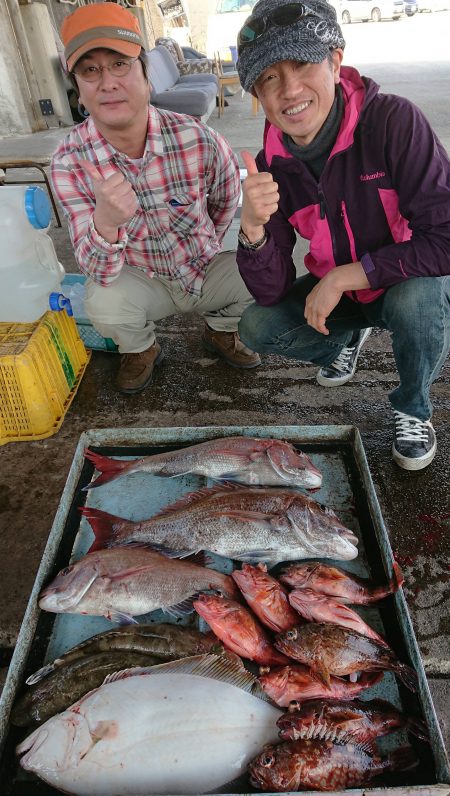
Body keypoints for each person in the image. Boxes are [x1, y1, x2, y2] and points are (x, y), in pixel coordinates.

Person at [235, 0, 450, 471]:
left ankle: (413, 407)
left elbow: (444, 239)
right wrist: (251, 226)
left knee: (419, 302)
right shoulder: (271, 165)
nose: (290, 89)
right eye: (269, 77)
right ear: (257, 94)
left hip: (403, 278)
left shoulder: (394, 121)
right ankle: (345, 338)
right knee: (254, 326)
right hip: (345, 289)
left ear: (334, 61)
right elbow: (269, 290)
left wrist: (343, 278)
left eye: (302, 63)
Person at [51, 3, 260, 394]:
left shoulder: (198, 138)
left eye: (119, 64)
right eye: (90, 70)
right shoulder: (68, 162)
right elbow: (99, 270)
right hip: (141, 280)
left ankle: (221, 331)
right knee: (103, 301)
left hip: (202, 267)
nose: (108, 82)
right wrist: (107, 223)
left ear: (146, 76)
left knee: (267, 274)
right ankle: (141, 349)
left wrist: (208, 247)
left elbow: (226, 198)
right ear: (78, 89)